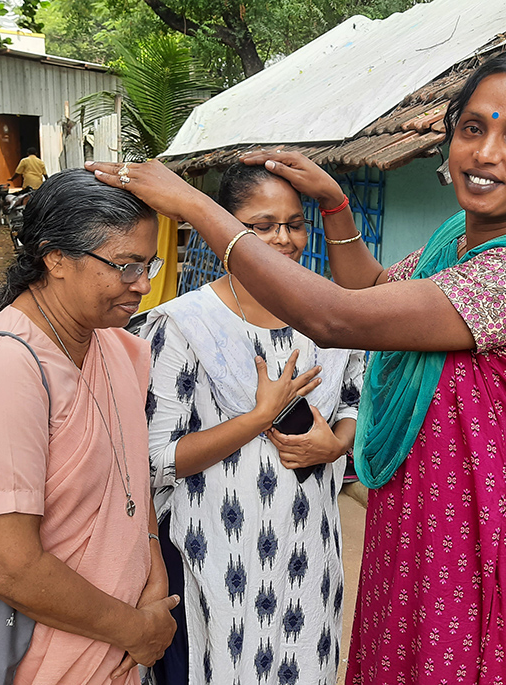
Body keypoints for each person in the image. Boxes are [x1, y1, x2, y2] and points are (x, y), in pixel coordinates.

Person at [87, 50, 506, 685]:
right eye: (472, 128)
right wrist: (337, 204)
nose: (484, 153)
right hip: (415, 521)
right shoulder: (454, 246)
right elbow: (368, 290)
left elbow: (339, 317)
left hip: (475, 538)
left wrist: (201, 212)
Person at [0, 168, 178, 684]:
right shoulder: (3, 370)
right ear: (55, 257)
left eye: (148, 263)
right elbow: (8, 564)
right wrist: (133, 629)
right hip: (36, 660)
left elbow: (130, 475)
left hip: (118, 649)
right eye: (124, 265)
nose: (143, 284)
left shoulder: (117, 347)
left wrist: (151, 571)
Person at [138, 162, 365, 685]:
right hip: (216, 552)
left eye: (293, 223)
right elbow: (159, 460)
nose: (282, 239)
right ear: (226, 232)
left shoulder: (332, 316)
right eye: (260, 226)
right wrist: (258, 418)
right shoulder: (186, 325)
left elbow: (354, 402)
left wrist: (335, 447)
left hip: (310, 550)